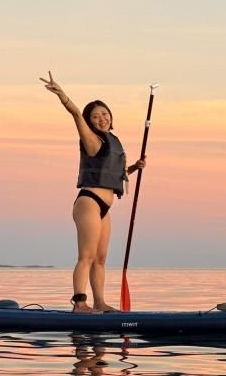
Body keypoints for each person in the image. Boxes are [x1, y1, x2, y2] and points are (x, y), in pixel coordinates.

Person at [40, 72, 146, 313]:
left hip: (105, 206)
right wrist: (62, 95)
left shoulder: (114, 142)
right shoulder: (90, 139)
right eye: (96, 116)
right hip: (89, 202)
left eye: (105, 114)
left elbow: (114, 176)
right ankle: (80, 303)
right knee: (86, 257)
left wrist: (134, 168)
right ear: (89, 121)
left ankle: (99, 302)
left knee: (100, 259)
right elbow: (76, 113)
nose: (102, 119)